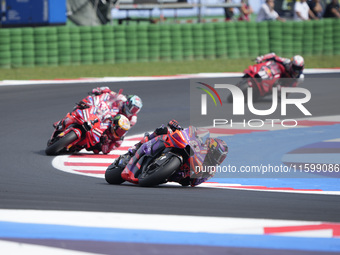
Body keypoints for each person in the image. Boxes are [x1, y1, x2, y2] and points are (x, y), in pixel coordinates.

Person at [119, 120, 228, 187]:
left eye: (220, 157)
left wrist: (188, 176)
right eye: (218, 155)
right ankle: (135, 148)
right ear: (211, 148)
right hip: (178, 147)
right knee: (163, 130)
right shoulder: (199, 142)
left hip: (177, 174)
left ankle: (153, 171)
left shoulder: (210, 171)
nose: (218, 159)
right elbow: (189, 133)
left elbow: (194, 183)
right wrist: (177, 127)